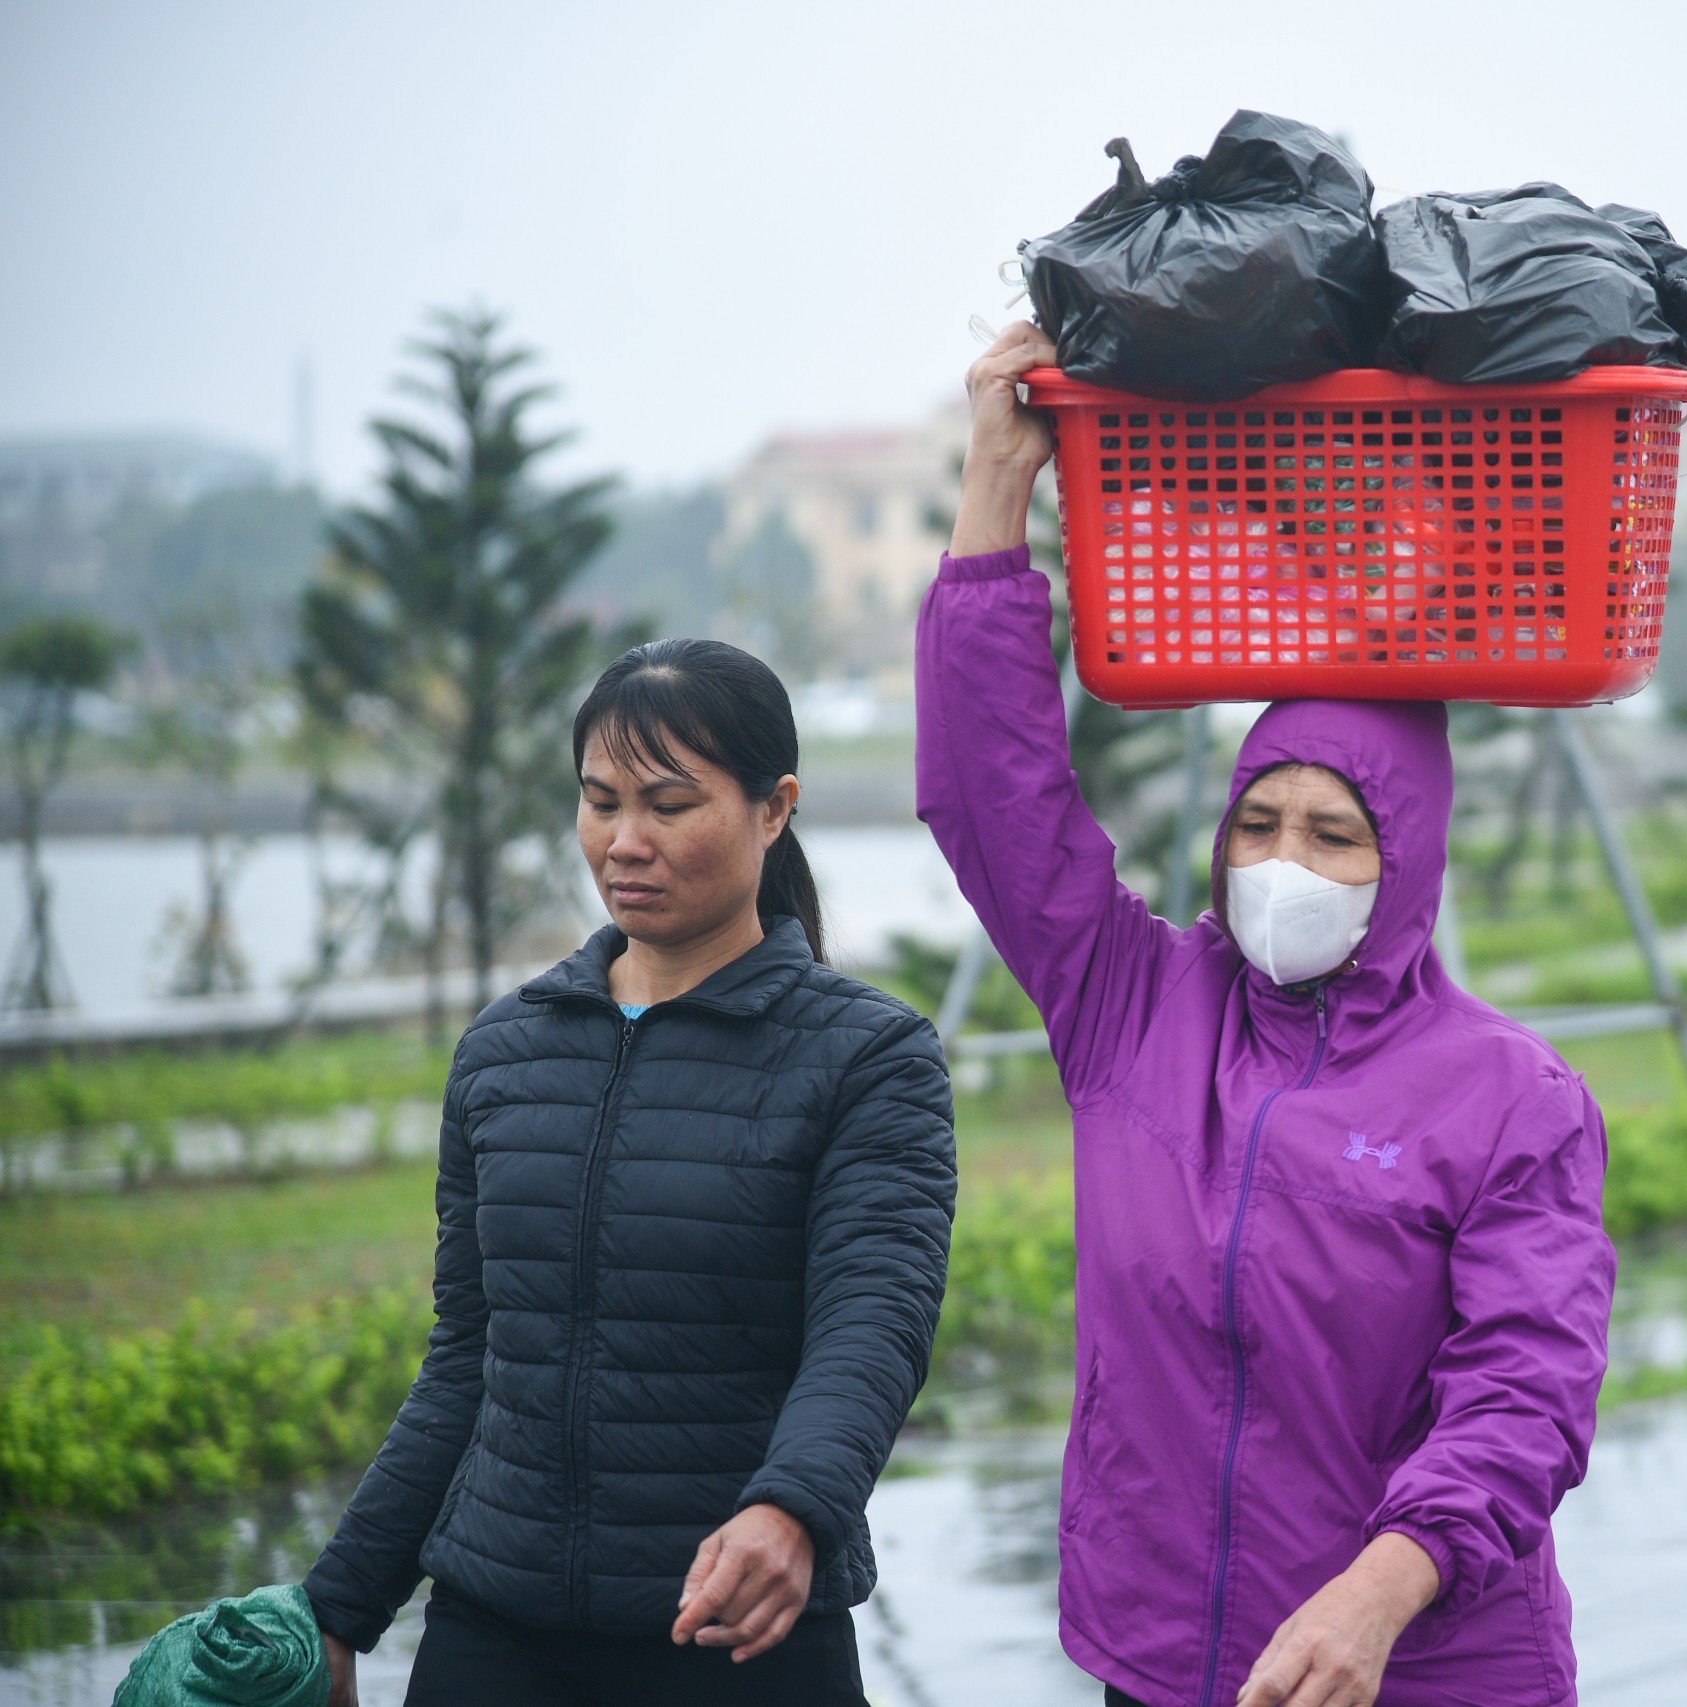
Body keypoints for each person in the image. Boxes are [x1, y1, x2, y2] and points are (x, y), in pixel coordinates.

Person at [918, 322, 1615, 1707]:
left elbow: (1525, 1385)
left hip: (1416, 1666)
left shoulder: (1508, 1095)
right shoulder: (1135, 1003)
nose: (1285, 862)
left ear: (1405, 862)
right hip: (1164, 1659)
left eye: (1336, 835)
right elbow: (995, 796)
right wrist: (998, 488)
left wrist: (1383, 1581)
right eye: (1260, 821)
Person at [304, 639, 956, 1707]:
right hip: (493, 1626)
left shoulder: (866, 1058)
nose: (624, 842)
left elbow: (870, 1327)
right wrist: (340, 1607)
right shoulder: (507, 1052)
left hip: (737, 1628)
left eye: (667, 804)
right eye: (599, 802)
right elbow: (472, 1358)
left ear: (773, 807)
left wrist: (791, 1511)